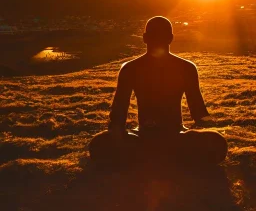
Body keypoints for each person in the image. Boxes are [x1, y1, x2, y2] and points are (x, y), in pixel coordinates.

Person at [89, 16, 227, 168]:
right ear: (171, 38)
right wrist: (118, 133)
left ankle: (145, 157)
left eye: (160, 36)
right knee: (98, 144)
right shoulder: (131, 68)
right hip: (146, 135)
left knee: (216, 142)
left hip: (171, 135)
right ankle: (172, 156)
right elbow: (119, 112)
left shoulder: (184, 68)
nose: (157, 40)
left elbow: (198, 112)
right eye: (156, 36)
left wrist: (202, 132)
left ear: (145, 38)